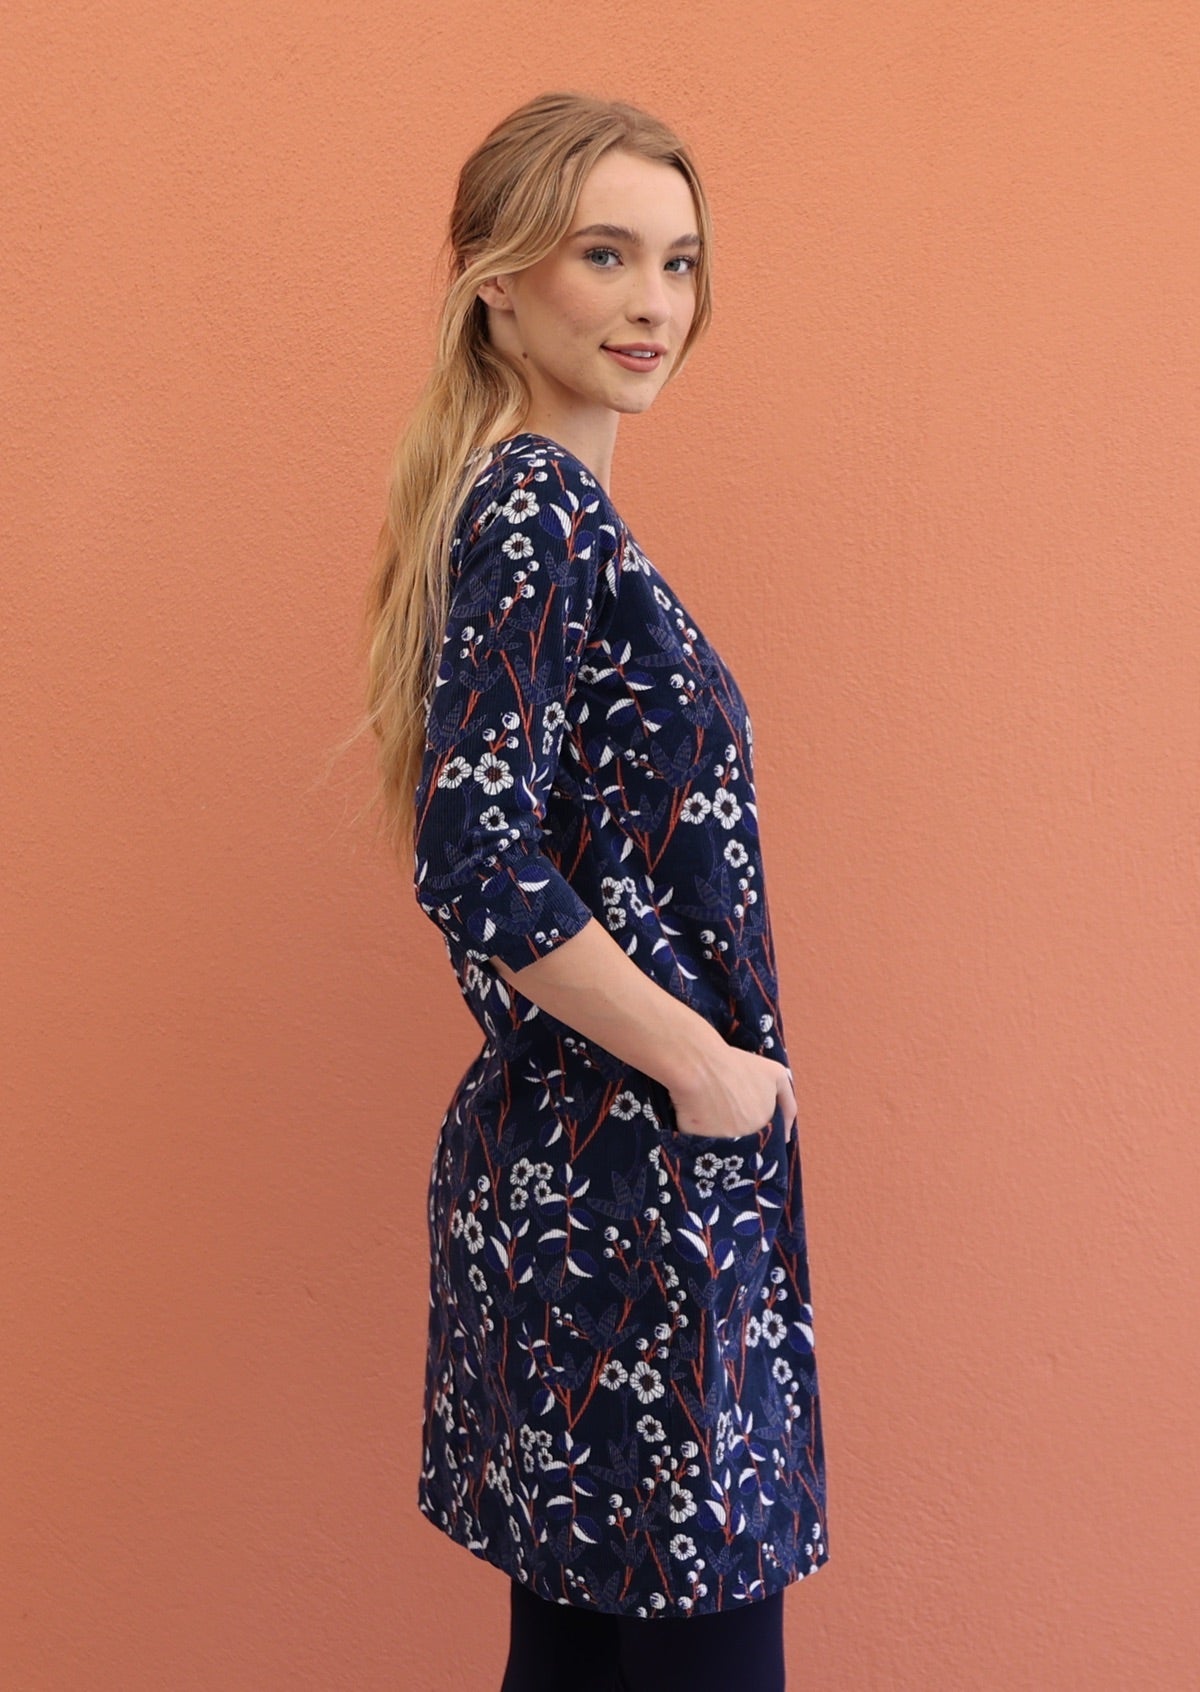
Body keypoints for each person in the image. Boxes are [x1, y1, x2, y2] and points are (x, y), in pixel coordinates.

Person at [358, 90, 829, 1691]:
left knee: (587, 1663)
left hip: (593, 1193)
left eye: (680, 262)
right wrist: (703, 1070)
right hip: (628, 1191)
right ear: (496, 281)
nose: (653, 303)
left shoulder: (534, 510)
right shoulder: (540, 511)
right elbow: (472, 851)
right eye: (604, 254)